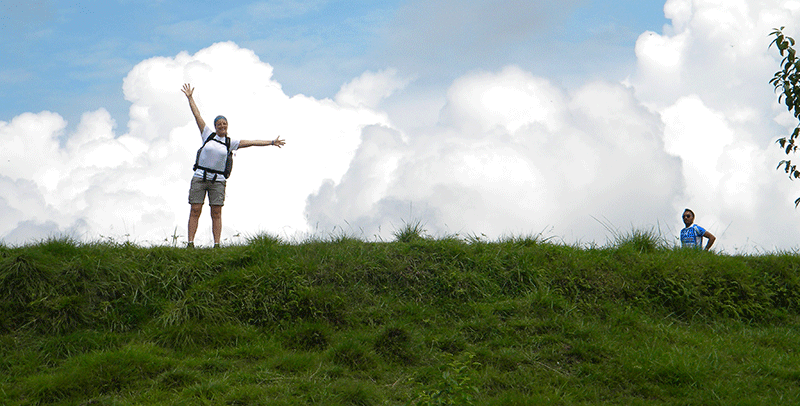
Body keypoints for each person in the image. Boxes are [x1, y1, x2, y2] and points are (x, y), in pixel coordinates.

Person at [181, 83, 285, 248]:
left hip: (218, 181)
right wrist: (190, 97)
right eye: (219, 124)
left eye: (224, 124)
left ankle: (216, 244)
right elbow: (197, 115)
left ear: (227, 126)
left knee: (216, 212)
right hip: (200, 178)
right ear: (215, 126)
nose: (222, 126)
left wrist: (272, 142)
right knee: (195, 209)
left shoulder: (230, 143)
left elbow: (251, 143)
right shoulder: (207, 135)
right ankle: (190, 243)